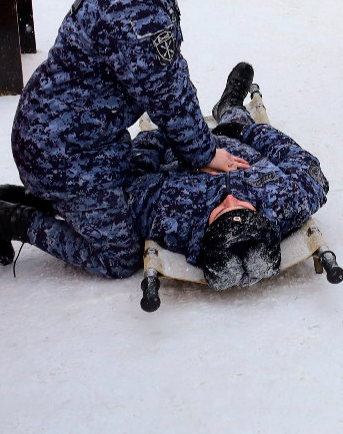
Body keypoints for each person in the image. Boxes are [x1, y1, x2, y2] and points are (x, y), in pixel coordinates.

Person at [0, 0, 240, 282]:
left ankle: (4, 198)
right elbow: (168, 94)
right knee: (118, 257)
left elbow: (168, 78)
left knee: (129, 194)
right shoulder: (138, 5)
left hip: (73, 137)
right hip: (64, 152)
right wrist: (205, 152)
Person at [126, 63, 330, 288]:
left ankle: (188, 110)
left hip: (176, 147)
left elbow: (135, 177)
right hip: (234, 137)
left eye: (221, 211)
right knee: (237, 117)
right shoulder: (285, 203)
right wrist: (249, 133)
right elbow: (304, 164)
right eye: (242, 207)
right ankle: (230, 105)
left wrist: (163, 139)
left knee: (171, 112)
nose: (230, 199)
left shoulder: (172, 216)